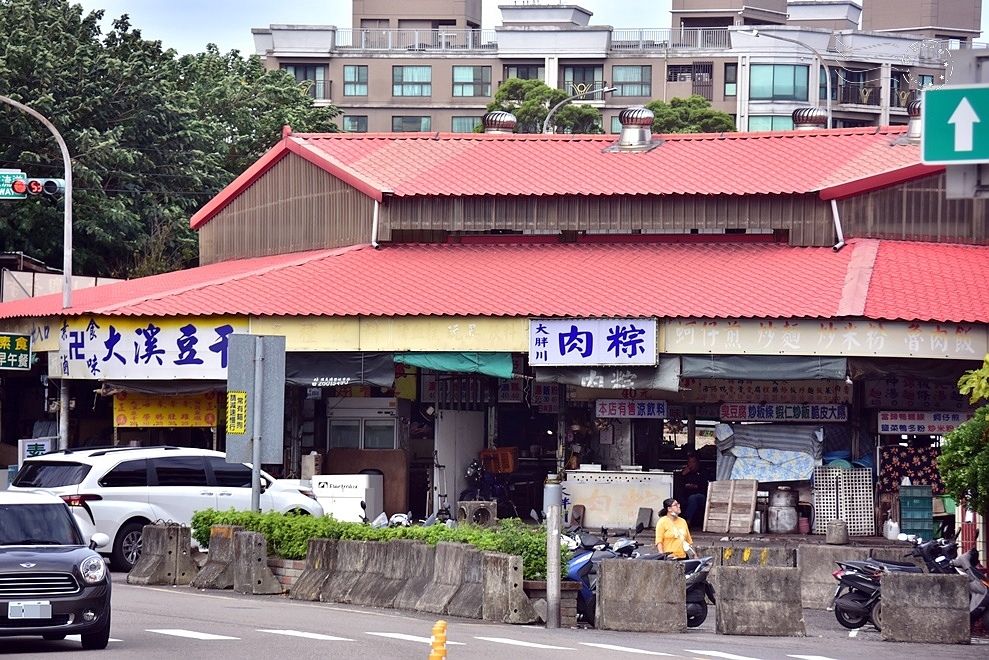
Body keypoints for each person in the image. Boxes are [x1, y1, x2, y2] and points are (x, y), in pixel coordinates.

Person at [681, 453, 710, 530]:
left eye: (693, 462)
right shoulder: (685, 472)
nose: (691, 464)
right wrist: (683, 475)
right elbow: (678, 485)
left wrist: (695, 486)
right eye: (689, 462)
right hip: (686, 495)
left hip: (701, 496)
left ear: (697, 462)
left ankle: (687, 520)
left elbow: (705, 487)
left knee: (693, 498)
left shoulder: (703, 472)